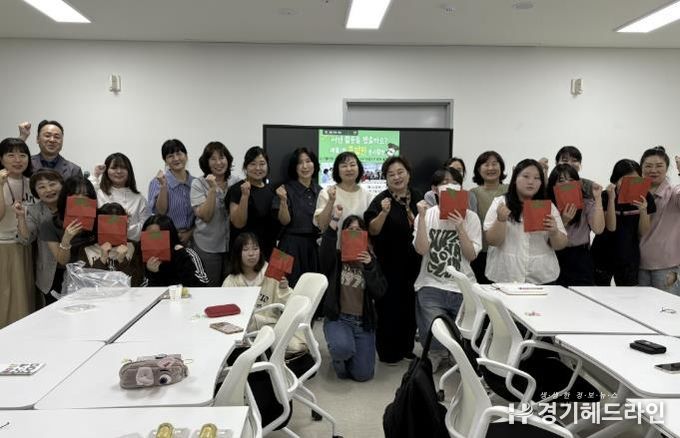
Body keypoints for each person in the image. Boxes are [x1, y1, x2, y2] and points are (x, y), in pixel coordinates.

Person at [413, 168, 482, 371]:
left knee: (462, 331)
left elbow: (471, 255)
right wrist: (422, 218)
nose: (450, 186)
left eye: (454, 183)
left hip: (463, 285)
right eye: (444, 183)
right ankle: (435, 353)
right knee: (433, 327)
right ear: (435, 189)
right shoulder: (426, 215)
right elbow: (421, 249)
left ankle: (455, 354)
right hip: (431, 283)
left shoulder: (471, 218)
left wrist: (460, 226)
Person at [364, 157, 422, 364]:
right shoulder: (381, 200)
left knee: (410, 307)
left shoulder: (418, 197)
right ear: (386, 178)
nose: (397, 177)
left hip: (415, 264)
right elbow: (372, 230)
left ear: (408, 174)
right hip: (389, 264)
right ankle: (388, 351)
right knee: (389, 308)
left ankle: (406, 348)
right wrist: (383, 212)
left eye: (400, 172)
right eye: (391, 174)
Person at [320, 208, 387, 382]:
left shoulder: (371, 261)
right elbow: (324, 253)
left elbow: (380, 291)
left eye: (358, 230)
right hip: (339, 319)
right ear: (343, 234)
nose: (354, 233)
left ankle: (349, 354)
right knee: (342, 351)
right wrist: (335, 219)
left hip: (363, 323)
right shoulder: (336, 258)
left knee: (364, 375)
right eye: (350, 229)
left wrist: (370, 266)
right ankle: (340, 356)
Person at [484, 159, 568, 284]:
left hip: (541, 276)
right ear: (515, 179)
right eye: (526, 176)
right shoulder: (500, 203)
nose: (531, 182)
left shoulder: (548, 207)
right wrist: (500, 220)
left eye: (537, 178)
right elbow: (492, 241)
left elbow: (560, 245)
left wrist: (554, 232)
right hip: (505, 275)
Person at [591, 159, 656, 286]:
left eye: (635, 179)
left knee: (628, 295)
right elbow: (611, 227)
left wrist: (643, 210)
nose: (630, 184)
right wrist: (611, 200)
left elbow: (643, 232)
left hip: (628, 256)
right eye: (625, 180)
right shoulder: (605, 196)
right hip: (602, 254)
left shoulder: (646, 197)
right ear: (616, 180)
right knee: (599, 293)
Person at [222, 233, 297, 343]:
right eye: (245, 249)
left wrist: (284, 289)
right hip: (242, 332)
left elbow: (289, 305)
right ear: (237, 253)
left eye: (255, 248)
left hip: (269, 329)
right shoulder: (231, 281)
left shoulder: (273, 274)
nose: (251, 254)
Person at [546, 164, 604, 286]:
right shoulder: (548, 206)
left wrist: (598, 198)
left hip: (580, 257)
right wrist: (563, 221)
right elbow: (546, 238)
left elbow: (598, 229)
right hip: (554, 255)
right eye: (561, 181)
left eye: (571, 180)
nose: (567, 184)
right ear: (553, 185)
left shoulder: (586, 202)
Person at [40, 177, 98, 298]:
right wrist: (66, 239)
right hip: (66, 279)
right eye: (75, 195)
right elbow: (62, 261)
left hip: (96, 275)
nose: (81, 199)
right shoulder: (50, 224)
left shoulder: (98, 219)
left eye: (86, 195)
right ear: (66, 197)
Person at [0, 138, 35, 327]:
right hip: (3, 248)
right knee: (5, 299)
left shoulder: (32, 183)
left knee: (24, 298)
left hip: (25, 247)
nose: (17, 160)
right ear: (1, 159)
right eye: (11, 155)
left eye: (22, 155)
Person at [274, 147, 322, 287]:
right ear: (294, 167)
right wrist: (283, 201)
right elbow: (284, 221)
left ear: (314, 164)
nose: (305, 166)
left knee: (312, 291)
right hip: (287, 246)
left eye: (308, 161)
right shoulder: (284, 189)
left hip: (313, 247)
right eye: (300, 163)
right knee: (277, 288)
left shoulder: (321, 191)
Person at [16, 169, 64, 305]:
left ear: (62, 185)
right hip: (50, 272)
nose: (48, 190)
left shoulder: (72, 205)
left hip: (75, 267)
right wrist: (21, 217)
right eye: (42, 187)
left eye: (52, 184)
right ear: (35, 192)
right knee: (54, 310)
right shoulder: (34, 210)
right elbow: (26, 239)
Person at [638, 146, 680, 294]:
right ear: (641, 168)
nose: (653, 170)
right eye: (648, 166)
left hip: (667, 266)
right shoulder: (636, 193)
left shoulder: (674, 192)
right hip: (639, 265)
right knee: (641, 307)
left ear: (667, 168)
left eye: (659, 166)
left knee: (666, 307)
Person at [191, 142, 233, 286]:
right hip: (207, 246)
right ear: (206, 162)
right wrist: (213, 189)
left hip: (232, 246)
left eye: (221, 157)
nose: (218, 162)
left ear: (228, 159)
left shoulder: (236, 181)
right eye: (213, 159)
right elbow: (206, 216)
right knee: (210, 288)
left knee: (231, 288)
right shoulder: (198, 184)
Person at [228, 146, 279, 260]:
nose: (258, 168)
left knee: (277, 273)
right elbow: (238, 223)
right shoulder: (237, 189)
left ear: (267, 166)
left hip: (270, 250)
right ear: (245, 167)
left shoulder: (272, 190)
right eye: (253, 164)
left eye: (262, 164)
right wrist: (245, 196)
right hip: (246, 252)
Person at [78, 202, 144, 287]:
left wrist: (122, 261)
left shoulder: (133, 247)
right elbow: (86, 284)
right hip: (98, 295)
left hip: (127, 294)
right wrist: (102, 259)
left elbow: (137, 283)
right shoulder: (87, 249)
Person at [314, 151, 374, 240]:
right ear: (337, 170)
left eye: (352, 165)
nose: (349, 169)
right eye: (344, 166)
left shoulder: (368, 196)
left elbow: (372, 229)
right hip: (333, 246)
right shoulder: (327, 193)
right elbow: (322, 225)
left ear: (359, 168)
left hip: (359, 247)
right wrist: (331, 201)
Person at [469, 151, 508, 284]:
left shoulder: (510, 190)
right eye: (486, 165)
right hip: (481, 251)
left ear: (501, 167)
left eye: (494, 164)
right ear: (478, 169)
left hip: (505, 250)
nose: (491, 168)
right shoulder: (472, 193)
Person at [91, 153, 149, 241]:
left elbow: (145, 228)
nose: (119, 171)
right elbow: (84, 197)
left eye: (123, 167)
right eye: (114, 168)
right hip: (100, 246)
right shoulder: (99, 193)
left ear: (129, 171)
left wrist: (125, 226)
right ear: (106, 171)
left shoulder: (139, 199)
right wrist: (95, 174)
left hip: (130, 246)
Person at [147, 139, 195, 245]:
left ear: (186, 156)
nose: (176, 159)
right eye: (170, 156)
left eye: (179, 154)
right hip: (166, 239)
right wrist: (163, 187)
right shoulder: (157, 182)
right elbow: (160, 212)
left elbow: (200, 217)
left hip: (193, 239)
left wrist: (190, 233)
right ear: (165, 160)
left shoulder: (196, 183)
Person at [142, 214, 209, 287]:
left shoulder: (187, 254)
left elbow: (202, 284)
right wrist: (153, 274)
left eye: (157, 236)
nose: (153, 240)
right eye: (149, 236)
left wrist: (182, 258)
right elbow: (143, 289)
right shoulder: (144, 258)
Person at [18, 120, 83, 179]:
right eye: (47, 136)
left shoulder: (74, 170)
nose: (52, 140)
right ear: (37, 139)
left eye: (56, 137)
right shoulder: (26, 164)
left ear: (62, 141)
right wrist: (22, 137)